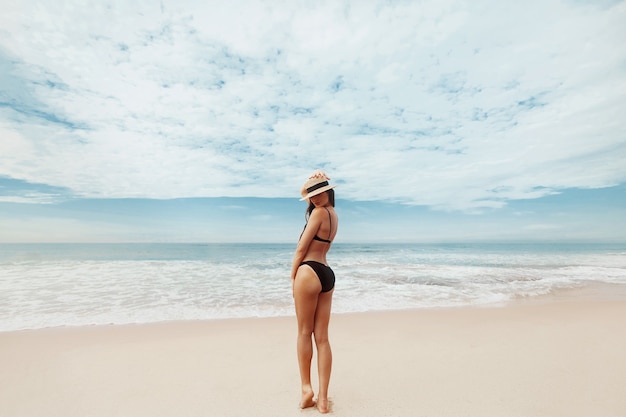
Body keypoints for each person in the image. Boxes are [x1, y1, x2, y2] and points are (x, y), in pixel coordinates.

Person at [291, 169, 338, 414]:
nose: (315, 198)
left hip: (308, 271)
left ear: (328, 191)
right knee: (322, 338)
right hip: (327, 274)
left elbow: (301, 250)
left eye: (319, 192)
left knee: (303, 333)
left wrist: (292, 276)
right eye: (311, 195)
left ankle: (307, 389)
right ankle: (323, 399)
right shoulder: (334, 215)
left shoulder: (318, 213)